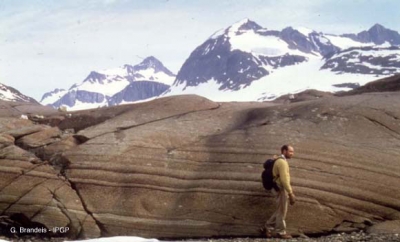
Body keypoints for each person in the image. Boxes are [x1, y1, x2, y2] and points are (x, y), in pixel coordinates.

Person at [265, 145, 296, 239]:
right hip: (280, 188)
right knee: (282, 211)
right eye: (290, 151)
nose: (292, 154)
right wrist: (290, 193)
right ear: (284, 151)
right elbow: (284, 179)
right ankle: (281, 232)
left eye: (293, 152)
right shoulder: (282, 162)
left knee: (280, 210)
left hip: (277, 187)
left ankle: (267, 227)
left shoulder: (279, 160)